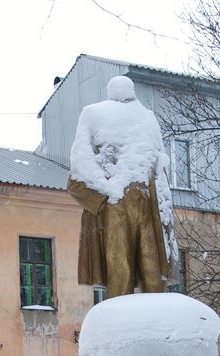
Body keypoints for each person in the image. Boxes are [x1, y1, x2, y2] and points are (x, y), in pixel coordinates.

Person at [67, 75, 177, 298]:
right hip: (115, 203)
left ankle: (158, 317)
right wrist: (107, 192)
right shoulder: (93, 114)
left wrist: (164, 211)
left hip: (147, 203)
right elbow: (80, 162)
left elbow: (160, 164)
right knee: (119, 271)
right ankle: (120, 317)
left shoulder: (148, 118)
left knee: (154, 274)